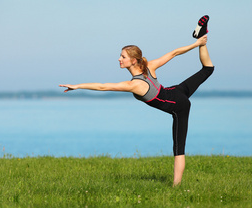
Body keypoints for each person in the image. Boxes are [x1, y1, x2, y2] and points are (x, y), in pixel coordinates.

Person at [60, 15, 214, 186]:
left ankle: (176, 187)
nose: (119, 59)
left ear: (133, 61)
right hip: (176, 91)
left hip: (180, 106)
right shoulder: (149, 66)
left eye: (123, 57)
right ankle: (202, 36)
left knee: (179, 150)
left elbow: (104, 87)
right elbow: (174, 53)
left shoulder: (135, 85)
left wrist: (78, 86)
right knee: (208, 69)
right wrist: (197, 44)